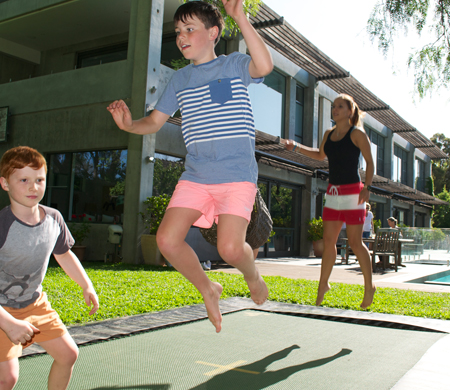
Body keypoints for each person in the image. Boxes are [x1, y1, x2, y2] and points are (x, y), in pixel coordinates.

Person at [107, 0, 273, 333]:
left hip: (236, 176)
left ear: (213, 33)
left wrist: (239, 16)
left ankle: (252, 273)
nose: (182, 36)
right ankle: (208, 288)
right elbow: (153, 122)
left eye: (189, 29)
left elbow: (265, 66)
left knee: (229, 248)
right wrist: (128, 126)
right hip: (196, 175)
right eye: (178, 31)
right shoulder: (179, 80)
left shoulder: (234, 65)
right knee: (167, 241)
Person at [0, 146, 99, 390]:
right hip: (2, 310)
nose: (33, 187)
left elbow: (64, 255)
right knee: (7, 379)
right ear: (5, 183)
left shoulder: (54, 219)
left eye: (39, 180)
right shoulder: (2, 226)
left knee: (68, 355)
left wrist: (86, 285)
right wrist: (9, 323)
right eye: (23, 180)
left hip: (35, 304)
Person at [281, 93, 376, 309]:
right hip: (333, 194)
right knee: (328, 241)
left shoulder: (357, 134)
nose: (335, 110)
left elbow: (370, 163)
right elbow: (319, 155)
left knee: (354, 243)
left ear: (350, 111)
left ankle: (369, 286)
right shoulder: (329, 133)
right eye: (334, 107)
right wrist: (295, 146)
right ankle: (323, 284)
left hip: (354, 193)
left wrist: (367, 188)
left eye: (340, 107)